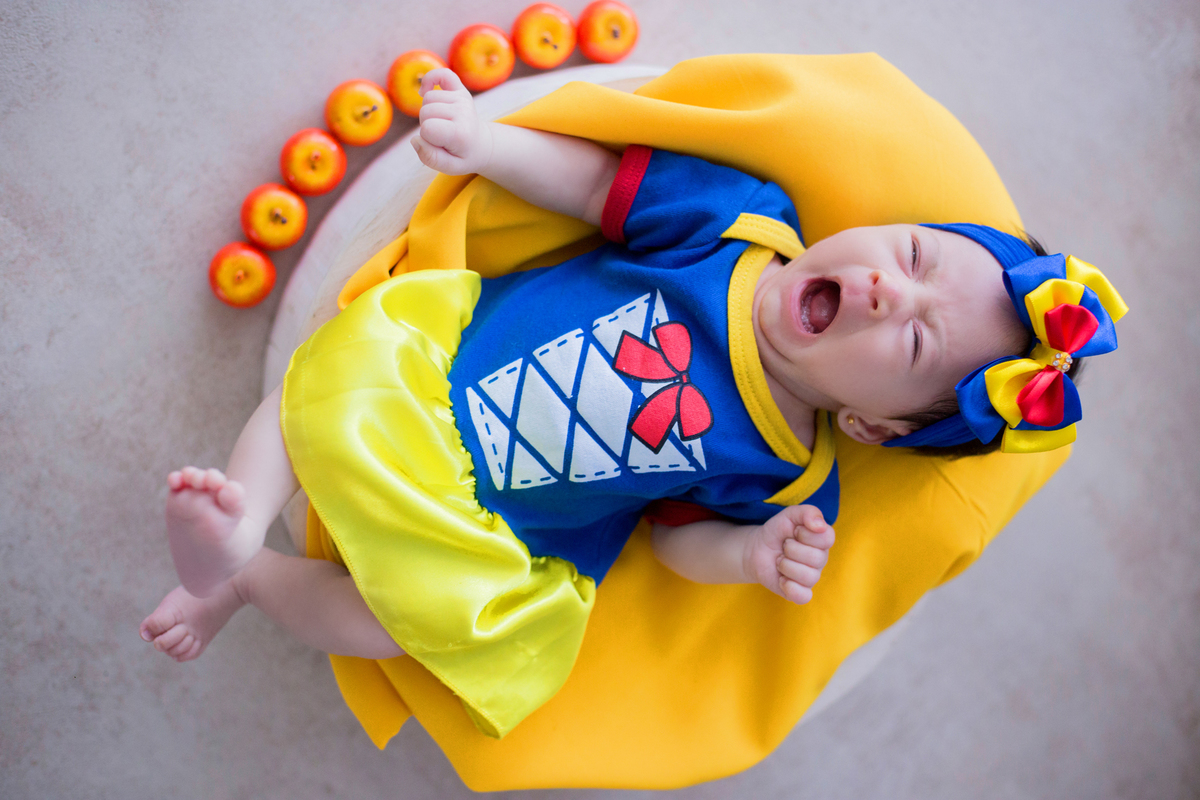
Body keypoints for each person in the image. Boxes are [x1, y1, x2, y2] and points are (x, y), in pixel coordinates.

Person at [140, 68, 1123, 737]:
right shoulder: (739, 228)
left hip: (490, 526)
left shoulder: (790, 468)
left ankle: (247, 582)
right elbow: (600, 181)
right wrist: (488, 142)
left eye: (912, 340)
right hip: (438, 371)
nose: (883, 289)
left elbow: (671, 540)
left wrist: (746, 553)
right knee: (325, 377)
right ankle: (242, 506)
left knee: (399, 627)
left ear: (871, 426)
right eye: (910, 257)